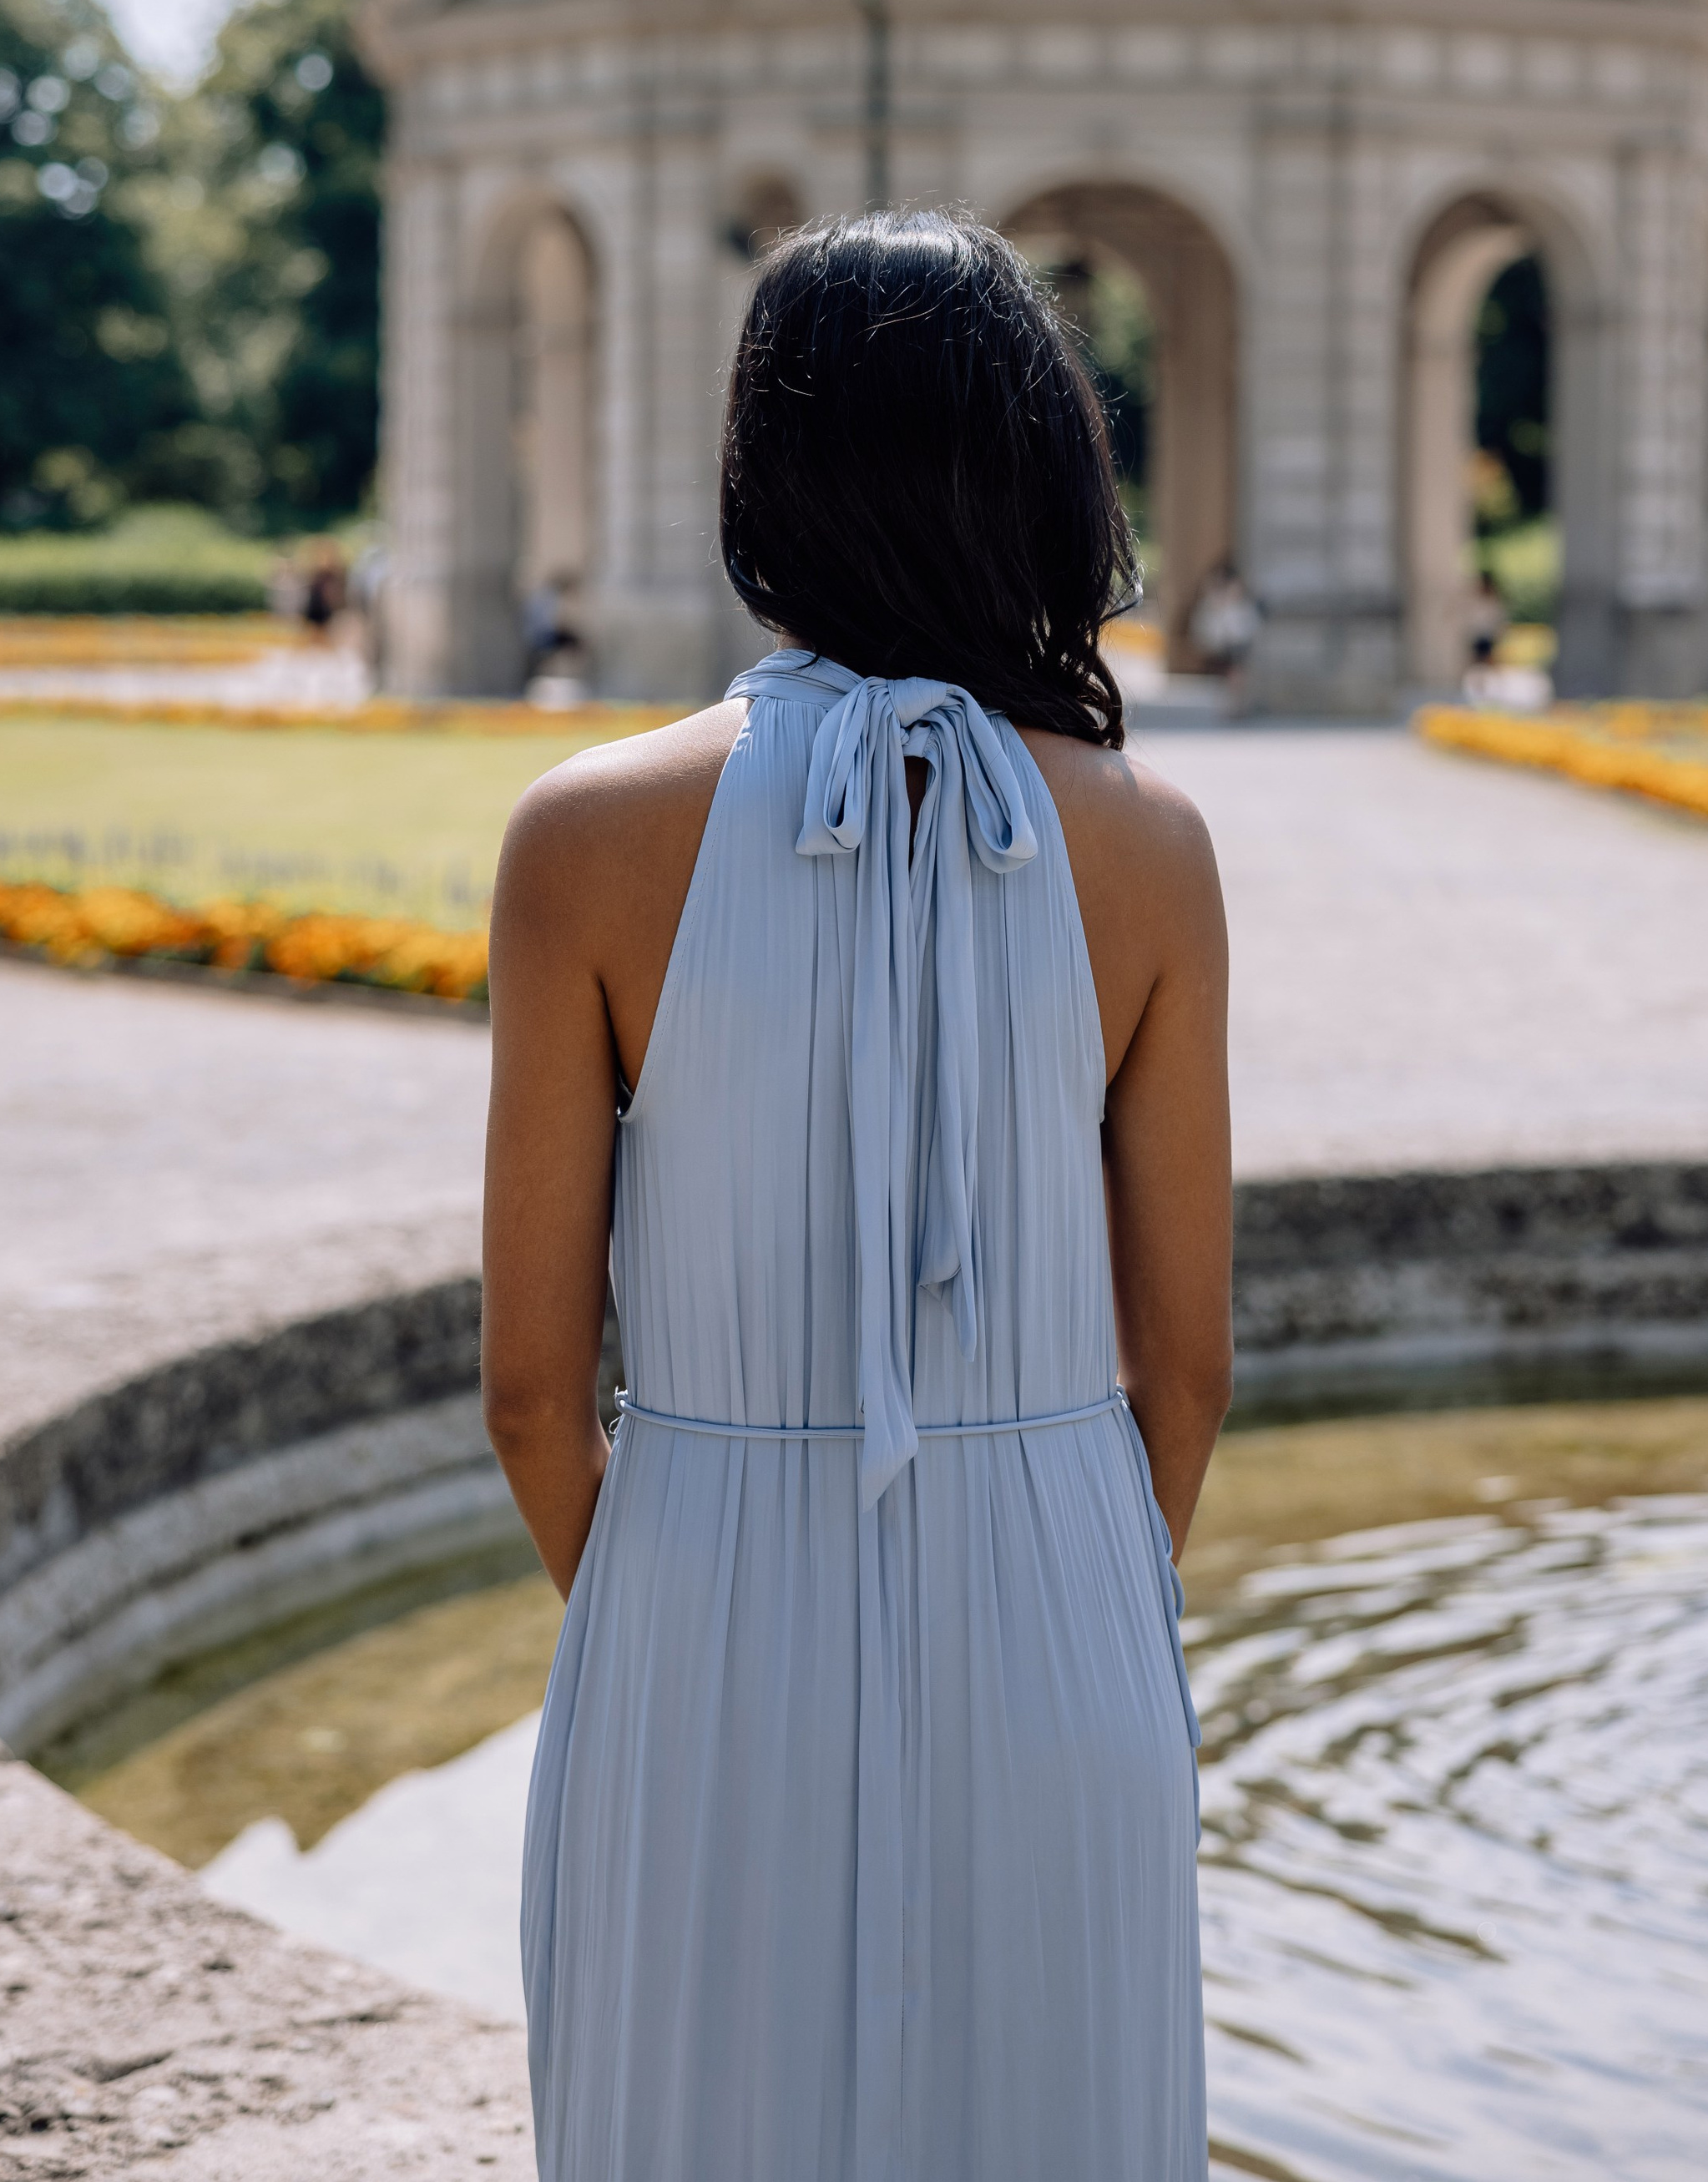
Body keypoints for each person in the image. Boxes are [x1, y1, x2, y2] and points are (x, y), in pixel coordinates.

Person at [483, 211, 1232, 2182]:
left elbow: (528, 1391)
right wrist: (1047, 1565)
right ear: (1046, 477)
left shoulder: (581, 836)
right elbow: (1188, 1367)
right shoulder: (1149, 846)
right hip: (1058, 1592)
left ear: (761, 473)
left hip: (695, 1606)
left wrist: (689, 1600)